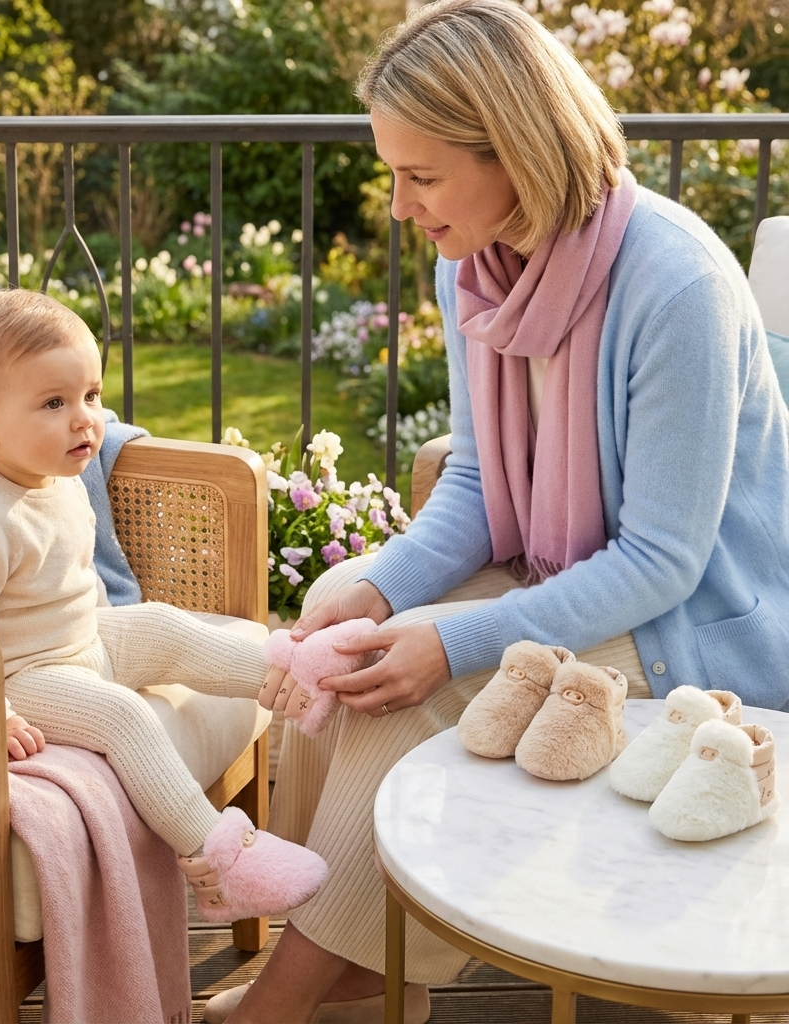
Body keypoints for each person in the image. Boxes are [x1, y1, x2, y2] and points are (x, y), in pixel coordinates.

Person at [205, 0, 789, 1021]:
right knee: (342, 649)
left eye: (420, 175)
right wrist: (375, 586)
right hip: (567, 579)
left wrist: (450, 639)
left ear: (514, 150)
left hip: (694, 627)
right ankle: (358, 976)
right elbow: (474, 486)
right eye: (393, 171)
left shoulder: (676, 282)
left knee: (420, 695)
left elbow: (661, 559)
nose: (397, 205)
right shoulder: (469, 263)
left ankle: (287, 1000)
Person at [0, 288, 327, 922]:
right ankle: (223, 862)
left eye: (90, 395)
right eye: (53, 403)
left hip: (83, 640)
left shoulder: (55, 475)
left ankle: (297, 678)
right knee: (123, 716)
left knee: (165, 626)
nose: (84, 419)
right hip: (27, 678)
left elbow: (67, 593)